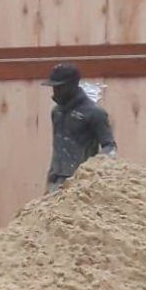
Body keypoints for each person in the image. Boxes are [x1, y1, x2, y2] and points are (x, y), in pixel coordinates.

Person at [43, 63, 117, 193]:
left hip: (81, 184)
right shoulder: (57, 112)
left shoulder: (94, 113)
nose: (56, 91)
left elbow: (110, 147)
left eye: (60, 87)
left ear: (72, 85)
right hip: (56, 180)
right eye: (54, 87)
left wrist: (91, 170)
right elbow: (59, 148)